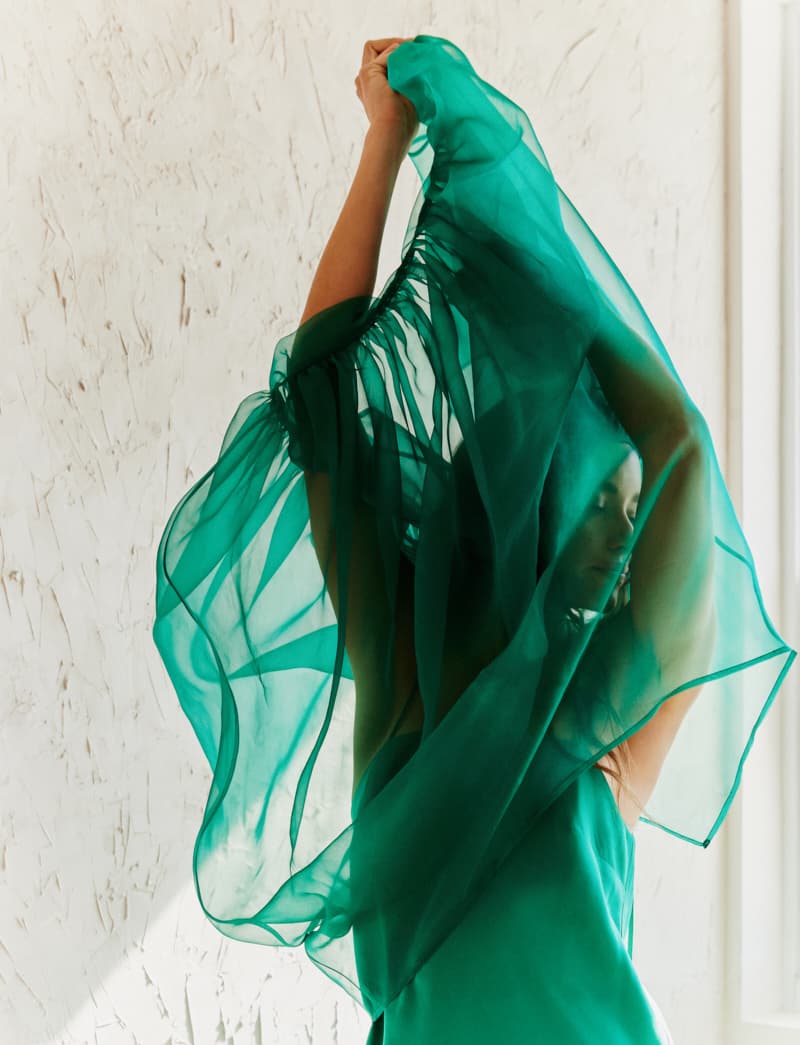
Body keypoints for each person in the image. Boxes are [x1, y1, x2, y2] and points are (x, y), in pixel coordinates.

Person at [152, 34, 797, 1043]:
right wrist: (523, 252)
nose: (615, 538)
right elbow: (673, 447)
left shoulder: (425, 691)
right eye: (597, 511)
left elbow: (323, 390)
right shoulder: (592, 734)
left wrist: (392, 143)